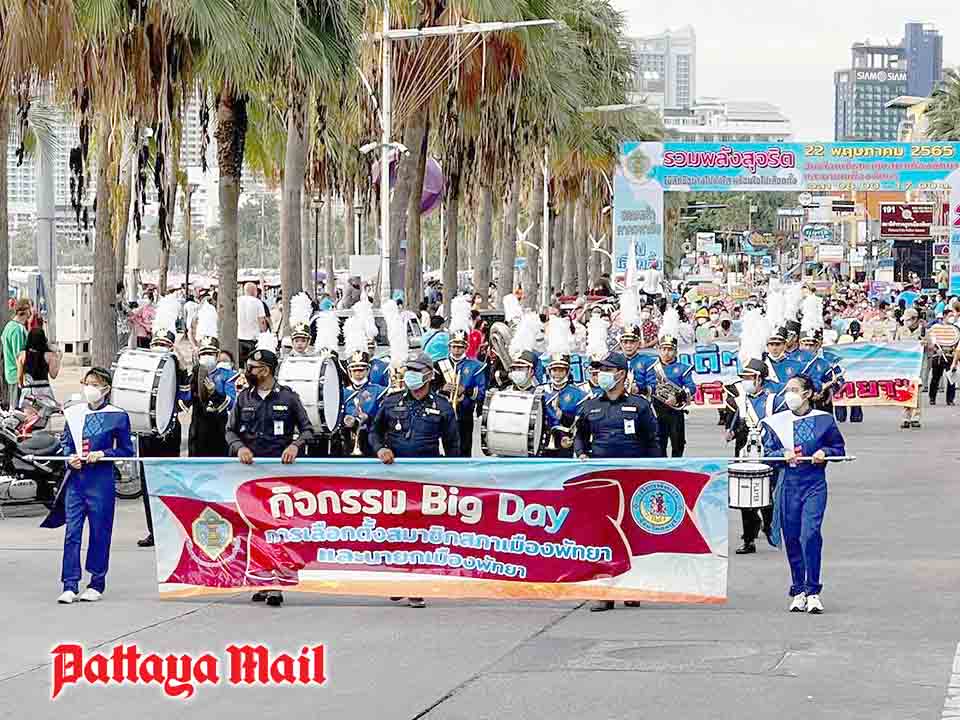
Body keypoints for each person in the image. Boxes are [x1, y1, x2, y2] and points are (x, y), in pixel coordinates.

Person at [225, 337, 315, 607]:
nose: (248, 371)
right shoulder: (244, 397)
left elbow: (308, 430)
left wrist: (295, 446)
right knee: (255, 527)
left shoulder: (288, 397)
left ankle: (278, 583)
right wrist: (239, 447)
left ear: (265, 370)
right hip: (250, 474)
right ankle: (262, 579)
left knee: (278, 527)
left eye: (253, 368)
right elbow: (230, 430)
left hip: (279, 474)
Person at [369, 351, 459, 609]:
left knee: (421, 533)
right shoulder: (391, 401)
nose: (411, 375)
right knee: (396, 531)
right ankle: (399, 579)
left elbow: (453, 447)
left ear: (429, 375)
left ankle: (416, 584)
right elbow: (373, 432)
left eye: (416, 370)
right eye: (409, 370)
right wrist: (380, 449)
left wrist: (452, 480)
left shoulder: (442, 406)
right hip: (395, 477)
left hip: (427, 480)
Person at [573, 351, 661, 612]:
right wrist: (581, 453)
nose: (601, 374)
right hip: (600, 480)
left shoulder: (640, 405)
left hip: (633, 479)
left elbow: (653, 441)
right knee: (601, 535)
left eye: (607, 370)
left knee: (632, 534)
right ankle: (604, 591)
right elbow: (580, 436)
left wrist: (656, 473)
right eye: (600, 370)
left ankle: (632, 587)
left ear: (621, 374)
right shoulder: (590, 406)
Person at [42, 367, 134, 603]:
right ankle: (69, 584)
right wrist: (70, 457)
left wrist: (104, 453)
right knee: (72, 533)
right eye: (87, 383)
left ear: (106, 389)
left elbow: (127, 450)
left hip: (101, 481)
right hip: (77, 481)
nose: (89, 388)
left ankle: (96, 583)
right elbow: (65, 443)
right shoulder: (74, 412)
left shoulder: (118, 416)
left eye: (95, 384)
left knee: (100, 532)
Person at [761, 375, 846, 614]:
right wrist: (781, 454)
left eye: (794, 389)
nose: (789, 394)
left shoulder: (824, 420)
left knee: (810, 534)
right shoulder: (776, 422)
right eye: (787, 389)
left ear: (807, 394)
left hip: (814, 484)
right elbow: (766, 453)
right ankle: (798, 590)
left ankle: (813, 591)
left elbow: (839, 449)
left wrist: (824, 452)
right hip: (788, 485)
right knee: (792, 538)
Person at [136, 297, 192, 548]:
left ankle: (170, 528)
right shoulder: (143, 366)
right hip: (147, 432)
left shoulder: (177, 369)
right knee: (148, 482)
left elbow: (185, 402)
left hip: (169, 431)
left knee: (168, 481)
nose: (160, 347)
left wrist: (182, 370)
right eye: (157, 343)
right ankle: (153, 530)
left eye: (165, 344)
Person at [725, 360, 782, 554]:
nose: (745, 381)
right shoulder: (741, 400)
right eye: (744, 378)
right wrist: (731, 431)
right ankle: (749, 539)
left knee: (766, 492)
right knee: (744, 495)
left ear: (759, 379)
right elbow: (735, 421)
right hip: (744, 452)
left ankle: (769, 526)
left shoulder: (773, 400)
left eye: (749, 377)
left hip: (767, 453)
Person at [188, 309, 238, 457]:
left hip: (218, 429)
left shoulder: (227, 375)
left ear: (217, 356)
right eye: (203, 353)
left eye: (210, 353)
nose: (206, 357)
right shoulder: (194, 374)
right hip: (198, 429)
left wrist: (214, 393)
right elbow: (185, 402)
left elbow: (231, 402)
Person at [645, 328, 696, 458]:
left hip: (675, 411)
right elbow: (647, 387)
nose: (666, 352)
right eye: (663, 349)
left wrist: (677, 397)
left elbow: (691, 387)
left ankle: (676, 468)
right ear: (659, 350)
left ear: (676, 351)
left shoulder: (682, 368)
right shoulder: (651, 368)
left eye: (670, 349)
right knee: (658, 444)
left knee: (678, 443)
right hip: (656, 410)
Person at [439, 326, 486, 457]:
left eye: (460, 347)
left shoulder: (475, 366)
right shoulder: (440, 364)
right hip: (444, 413)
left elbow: (481, 393)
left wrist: (465, 390)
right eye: (453, 346)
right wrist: (442, 389)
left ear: (466, 347)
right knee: (448, 448)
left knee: (464, 448)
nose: (456, 350)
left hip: (465, 414)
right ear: (449, 347)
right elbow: (432, 389)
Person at [17, 327, 61, 412]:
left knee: (29, 417)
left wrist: (23, 386)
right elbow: (53, 375)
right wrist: (58, 359)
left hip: (28, 391)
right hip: (45, 392)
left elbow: (19, 376)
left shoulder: (22, 355)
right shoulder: (50, 355)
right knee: (45, 416)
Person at [2, 298, 32, 409]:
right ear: (26, 310)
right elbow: (20, 358)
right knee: (18, 411)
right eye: (30, 308)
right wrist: (21, 381)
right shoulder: (17, 329)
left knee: (14, 410)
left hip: (11, 374)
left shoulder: (9, 326)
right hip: (17, 376)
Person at [238, 282, 268, 366]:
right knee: (252, 364)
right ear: (255, 291)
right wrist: (264, 334)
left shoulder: (237, 300)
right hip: (253, 338)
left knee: (240, 365)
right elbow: (262, 322)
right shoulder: (258, 302)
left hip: (239, 337)